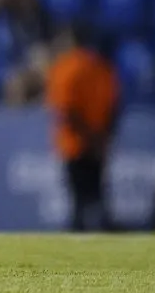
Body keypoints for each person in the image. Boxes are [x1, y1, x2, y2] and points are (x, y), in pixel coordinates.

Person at [45, 24, 120, 232]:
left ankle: (80, 232)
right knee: (97, 195)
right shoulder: (103, 67)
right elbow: (113, 106)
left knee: (78, 201)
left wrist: (87, 137)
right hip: (98, 142)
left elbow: (66, 110)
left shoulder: (65, 67)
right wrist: (101, 138)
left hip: (75, 143)